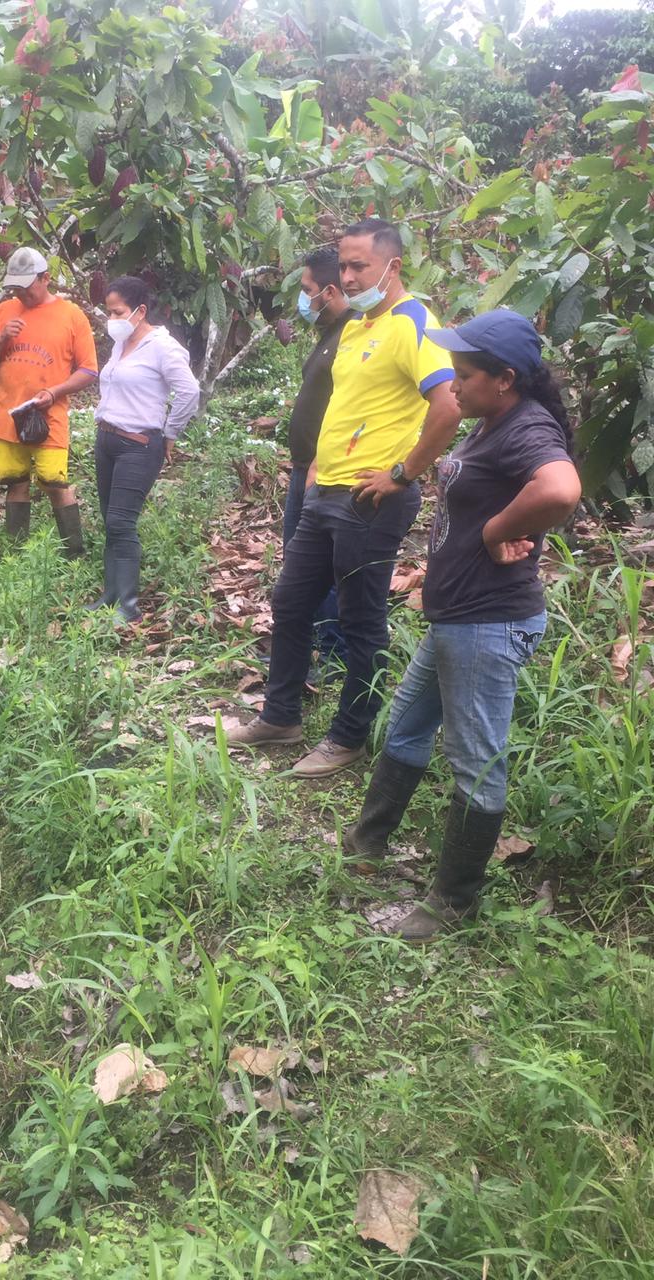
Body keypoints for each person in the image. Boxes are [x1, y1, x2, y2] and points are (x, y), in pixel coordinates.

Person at [344, 309, 581, 941]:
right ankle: (367, 842)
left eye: (466, 374)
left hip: (487, 623)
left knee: (475, 761)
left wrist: (498, 529)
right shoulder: (493, 422)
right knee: (406, 725)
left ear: (505, 379)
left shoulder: (526, 427)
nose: (452, 384)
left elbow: (560, 490)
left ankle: (453, 902)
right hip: (457, 617)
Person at [227, 218, 461, 776]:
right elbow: (347, 405)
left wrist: (403, 473)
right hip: (326, 490)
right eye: (345, 265)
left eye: (360, 266)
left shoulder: (414, 323)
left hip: (369, 501)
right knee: (290, 601)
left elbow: (449, 406)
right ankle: (280, 717)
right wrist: (316, 469)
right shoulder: (358, 325)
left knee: (361, 620)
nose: (349, 276)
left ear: (393, 266)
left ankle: (348, 737)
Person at [86, 275, 199, 622]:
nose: (112, 319)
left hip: (138, 445)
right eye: (109, 312)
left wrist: (170, 432)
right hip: (107, 439)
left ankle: (128, 606)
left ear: (140, 311)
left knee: (121, 521)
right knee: (110, 520)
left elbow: (189, 391)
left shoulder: (162, 347)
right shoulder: (121, 345)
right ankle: (110, 595)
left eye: (118, 312)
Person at [0, 246, 98, 557]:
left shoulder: (71, 316)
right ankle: (16, 556)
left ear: (45, 278)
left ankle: (74, 555)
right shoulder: (5, 311)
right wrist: (1, 338)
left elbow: (89, 371)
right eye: (15, 288)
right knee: (15, 483)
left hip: (49, 416)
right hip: (8, 416)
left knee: (55, 484)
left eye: (26, 287)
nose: (21, 294)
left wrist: (54, 392)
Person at [285, 247, 353, 673]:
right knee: (299, 562)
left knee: (319, 565)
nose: (303, 297)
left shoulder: (353, 335)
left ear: (328, 291)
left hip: (324, 471)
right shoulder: (330, 333)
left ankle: (332, 654)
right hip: (305, 467)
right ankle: (301, 646)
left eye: (307, 288)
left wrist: (319, 463)